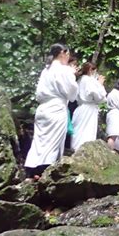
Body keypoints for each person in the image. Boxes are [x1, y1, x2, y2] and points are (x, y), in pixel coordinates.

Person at [24, 43, 78, 180]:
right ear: (62, 53)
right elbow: (72, 94)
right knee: (53, 142)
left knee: (39, 140)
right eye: (68, 54)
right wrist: (72, 75)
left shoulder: (46, 70)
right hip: (56, 108)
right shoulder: (64, 70)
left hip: (42, 109)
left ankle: (32, 169)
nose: (68, 57)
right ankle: (44, 171)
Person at [70, 62, 107, 151]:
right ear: (91, 70)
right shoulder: (89, 80)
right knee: (87, 131)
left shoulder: (80, 80)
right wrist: (100, 84)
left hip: (80, 108)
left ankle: (75, 149)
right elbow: (99, 97)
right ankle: (83, 151)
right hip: (89, 109)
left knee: (79, 130)